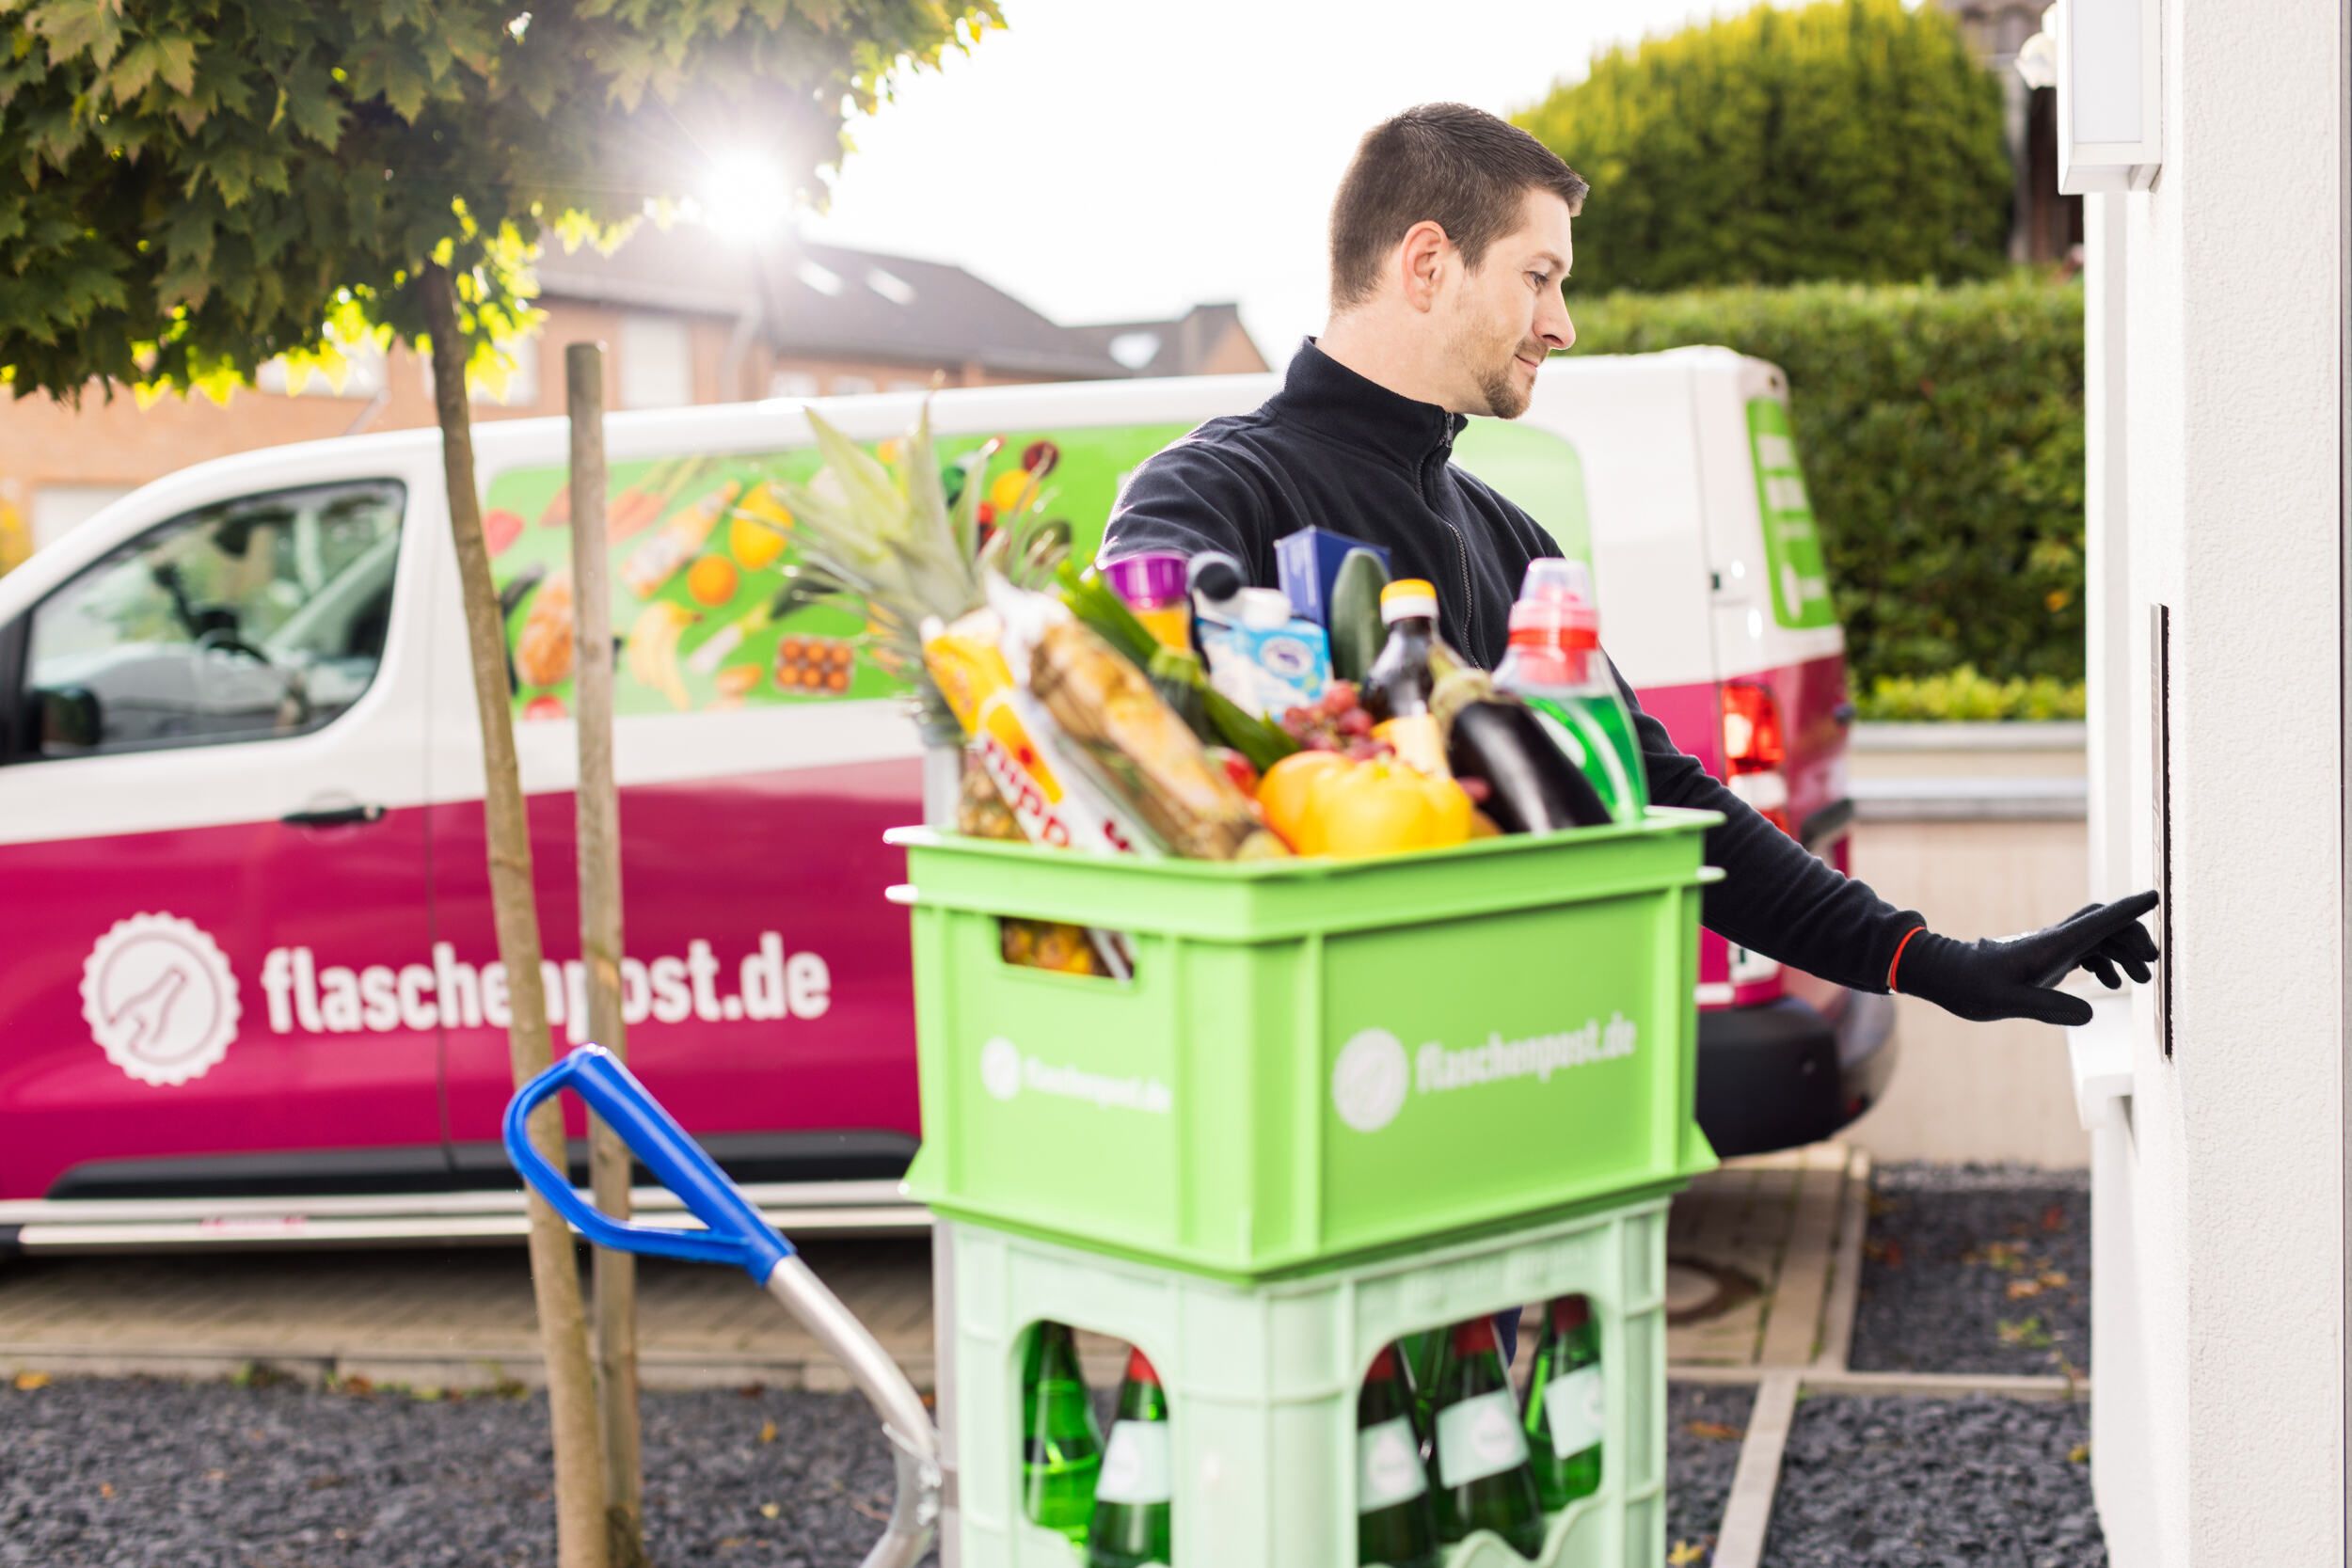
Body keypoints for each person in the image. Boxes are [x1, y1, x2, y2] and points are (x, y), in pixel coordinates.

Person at [1103, 103, 2159, 1034]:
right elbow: (1127, 686)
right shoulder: (1210, 492)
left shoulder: (1511, 542)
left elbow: (1657, 793)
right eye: (1539, 276)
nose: (1559, 324)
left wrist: (1936, 962)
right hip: (1314, 1076)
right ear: (1426, 264)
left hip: (1502, 1058)